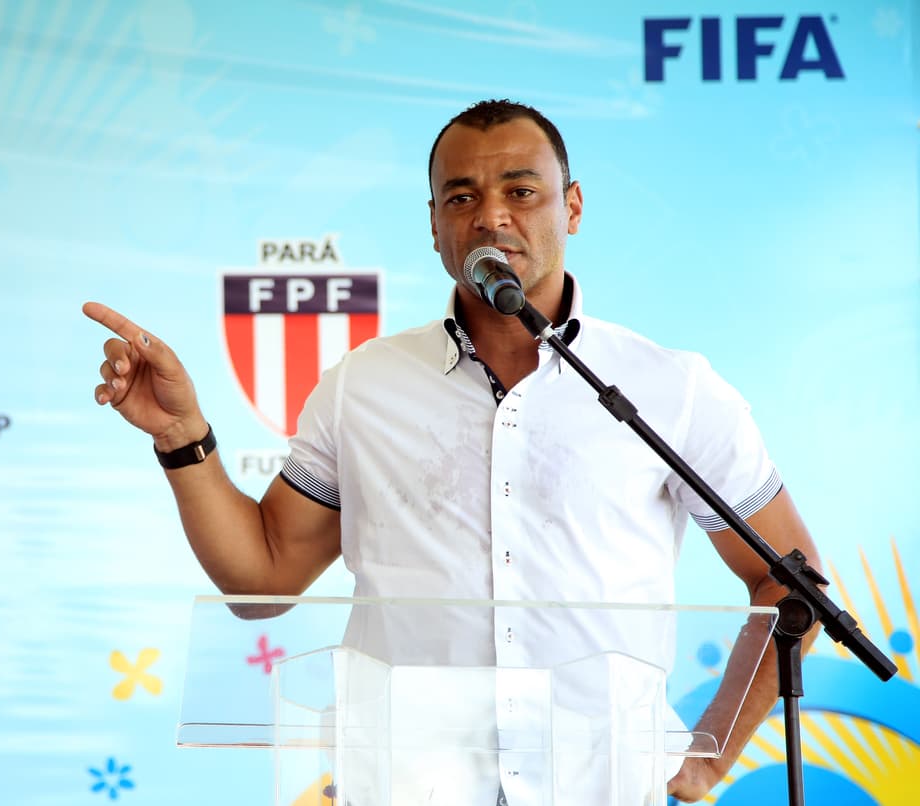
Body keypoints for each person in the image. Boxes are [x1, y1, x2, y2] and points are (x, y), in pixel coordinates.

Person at [83, 99, 821, 803]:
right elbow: (263, 578)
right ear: (435, 227)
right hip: (406, 789)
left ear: (572, 207)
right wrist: (181, 436)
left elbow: (792, 583)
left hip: (597, 789)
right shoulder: (362, 386)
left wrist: (710, 755)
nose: (491, 216)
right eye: (461, 197)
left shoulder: (671, 388)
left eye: (522, 191)